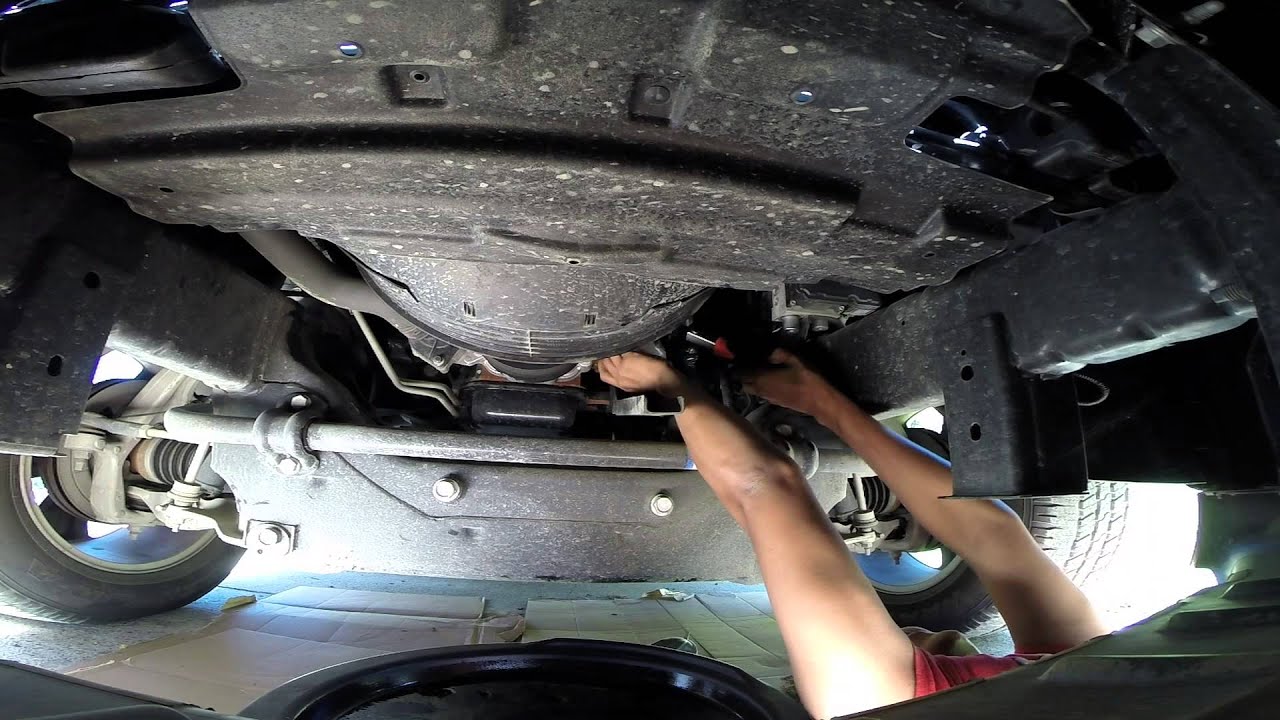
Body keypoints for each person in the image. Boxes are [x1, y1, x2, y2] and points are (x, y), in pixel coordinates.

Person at [597, 350, 1106, 719]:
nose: (908, 631)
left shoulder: (873, 700)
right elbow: (763, 485)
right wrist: (671, 384)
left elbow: (766, 485)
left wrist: (672, 388)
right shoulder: (1083, 675)